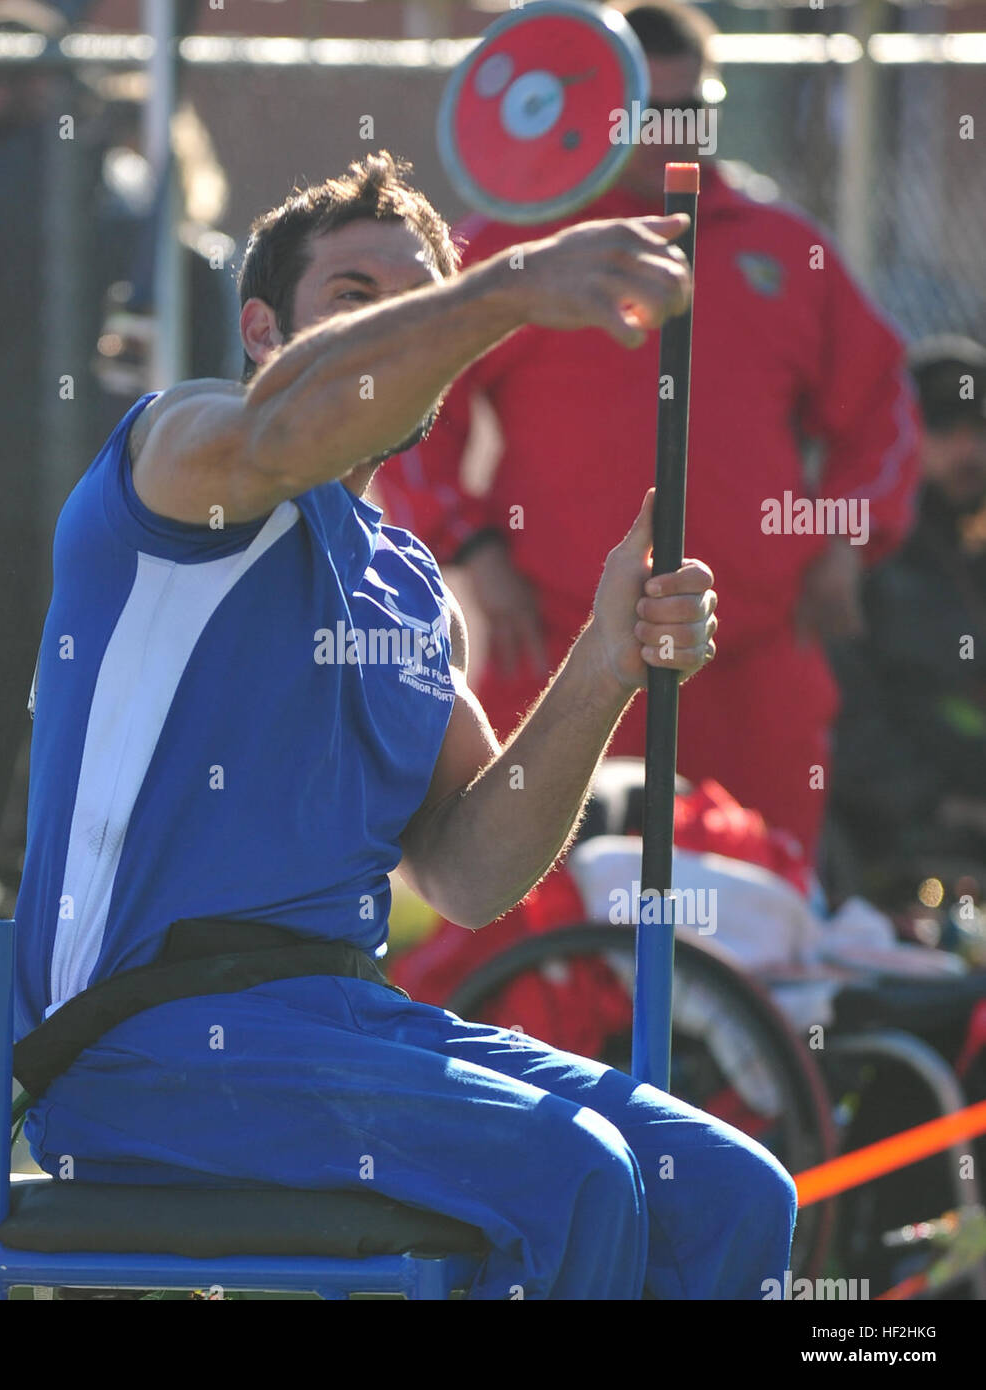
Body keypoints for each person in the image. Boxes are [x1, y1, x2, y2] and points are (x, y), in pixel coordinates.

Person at [12, 149, 796, 1300]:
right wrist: (506, 285)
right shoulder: (180, 454)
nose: (409, 328)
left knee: (733, 1192)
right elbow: (281, 438)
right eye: (357, 300)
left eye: (422, 296)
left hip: (351, 1025)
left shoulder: (408, 586)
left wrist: (605, 657)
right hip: (141, 1047)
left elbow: (472, 870)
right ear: (262, 327)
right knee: (572, 1176)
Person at [376, 0, 920, 868]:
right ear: (601, 118)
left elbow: (880, 410)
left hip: (748, 654)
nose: (677, 137)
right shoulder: (524, 247)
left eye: (693, 111)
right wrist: (473, 546)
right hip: (563, 653)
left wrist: (842, 538)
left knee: (755, 917)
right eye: (649, 115)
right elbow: (403, 404)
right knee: (546, 916)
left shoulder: (781, 245)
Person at [0, 0, 148, 887]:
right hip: (95, 493)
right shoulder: (121, 185)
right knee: (78, 693)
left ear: (38, 85)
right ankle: (61, 878)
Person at [827, 336, 986, 898]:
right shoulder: (864, 559)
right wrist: (938, 804)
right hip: (897, 848)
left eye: (980, 432)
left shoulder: (972, 552)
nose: (970, 453)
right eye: (948, 432)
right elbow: (845, 715)